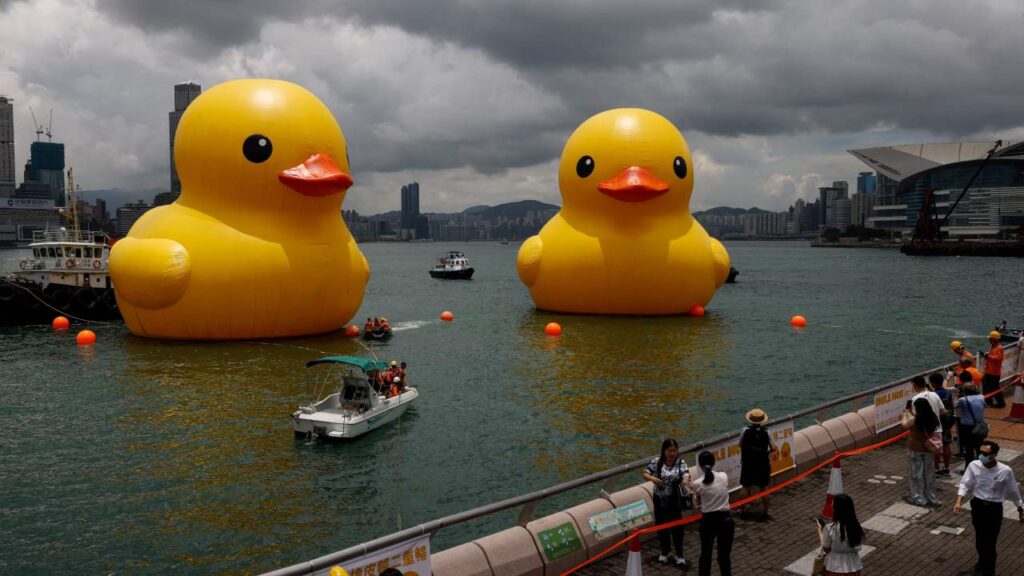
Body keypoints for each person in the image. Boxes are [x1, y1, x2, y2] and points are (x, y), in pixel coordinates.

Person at [954, 441, 1024, 576]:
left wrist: (1020, 508)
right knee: (980, 540)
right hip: (978, 506)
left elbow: (1013, 491)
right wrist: (958, 502)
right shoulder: (974, 465)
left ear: (995, 455)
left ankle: (988, 571)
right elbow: (965, 484)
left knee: (990, 542)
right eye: (980, 452)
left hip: (993, 509)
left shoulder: (1005, 471)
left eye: (985, 454)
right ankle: (981, 566)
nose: (981, 455)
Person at [642, 438, 690, 567]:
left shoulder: (680, 462)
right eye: (669, 451)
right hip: (660, 499)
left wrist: (685, 480)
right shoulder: (657, 462)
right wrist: (652, 478)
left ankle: (679, 554)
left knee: (677, 528)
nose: (672, 453)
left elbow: (686, 473)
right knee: (661, 526)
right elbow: (645, 473)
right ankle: (664, 551)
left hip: (674, 499)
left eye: (674, 450)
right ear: (664, 451)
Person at [691, 450, 733, 576]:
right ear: (714, 463)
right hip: (726, 520)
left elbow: (696, 504)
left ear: (700, 466)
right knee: (724, 557)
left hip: (708, 521)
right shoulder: (724, 476)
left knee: (705, 555)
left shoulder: (697, 484)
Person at [900, 398, 941, 507]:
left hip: (915, 448)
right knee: (928, 474)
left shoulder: (915, 419)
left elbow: (904, 425)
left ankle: (918, 498)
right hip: (928, 449)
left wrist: (904, 414)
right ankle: (931, 497)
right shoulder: (932, 416)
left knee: (916, 474)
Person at [739, 408, 775, 520]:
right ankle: (766, 511)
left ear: (750, 420)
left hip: (748, 461)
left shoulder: (745, 430)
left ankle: (742, 509)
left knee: (745, 486)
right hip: (762, 462)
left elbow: (740, 444)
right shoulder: (767, 432)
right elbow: (773, 447)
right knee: (763, 487)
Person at [816, 493, 864, 575]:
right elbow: (858, 546)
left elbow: (826, 548)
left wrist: (820, 531)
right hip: (853, 566)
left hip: (834, 567)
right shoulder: (856, 526)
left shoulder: (829, 527)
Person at [928, 372, 954, 475]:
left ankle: (936, 468)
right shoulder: (949, 394)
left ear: (933, 383)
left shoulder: (933, 395)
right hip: (947, 423)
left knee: (936, 446)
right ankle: (947, 467)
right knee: (947, 445)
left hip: (937, 424)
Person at [956, 383, 986, 465]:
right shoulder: (982, 397)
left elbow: (955, 406)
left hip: (967, 427)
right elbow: (984, 406)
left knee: (969, 449)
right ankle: (981, 466)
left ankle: (969, 468)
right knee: (979, 447)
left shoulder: (962, 400)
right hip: (980, 425)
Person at [981, 330, 1006, 408]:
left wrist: (988, 357)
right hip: (989, 371)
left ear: (995, 339)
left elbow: (999, 358)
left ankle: (1001, 403)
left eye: (990, 338)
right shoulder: (992, 346)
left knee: (995, 389)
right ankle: (989, 402)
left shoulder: (999, 348)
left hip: (994, 373)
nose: (989, 340)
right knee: (986, 387)